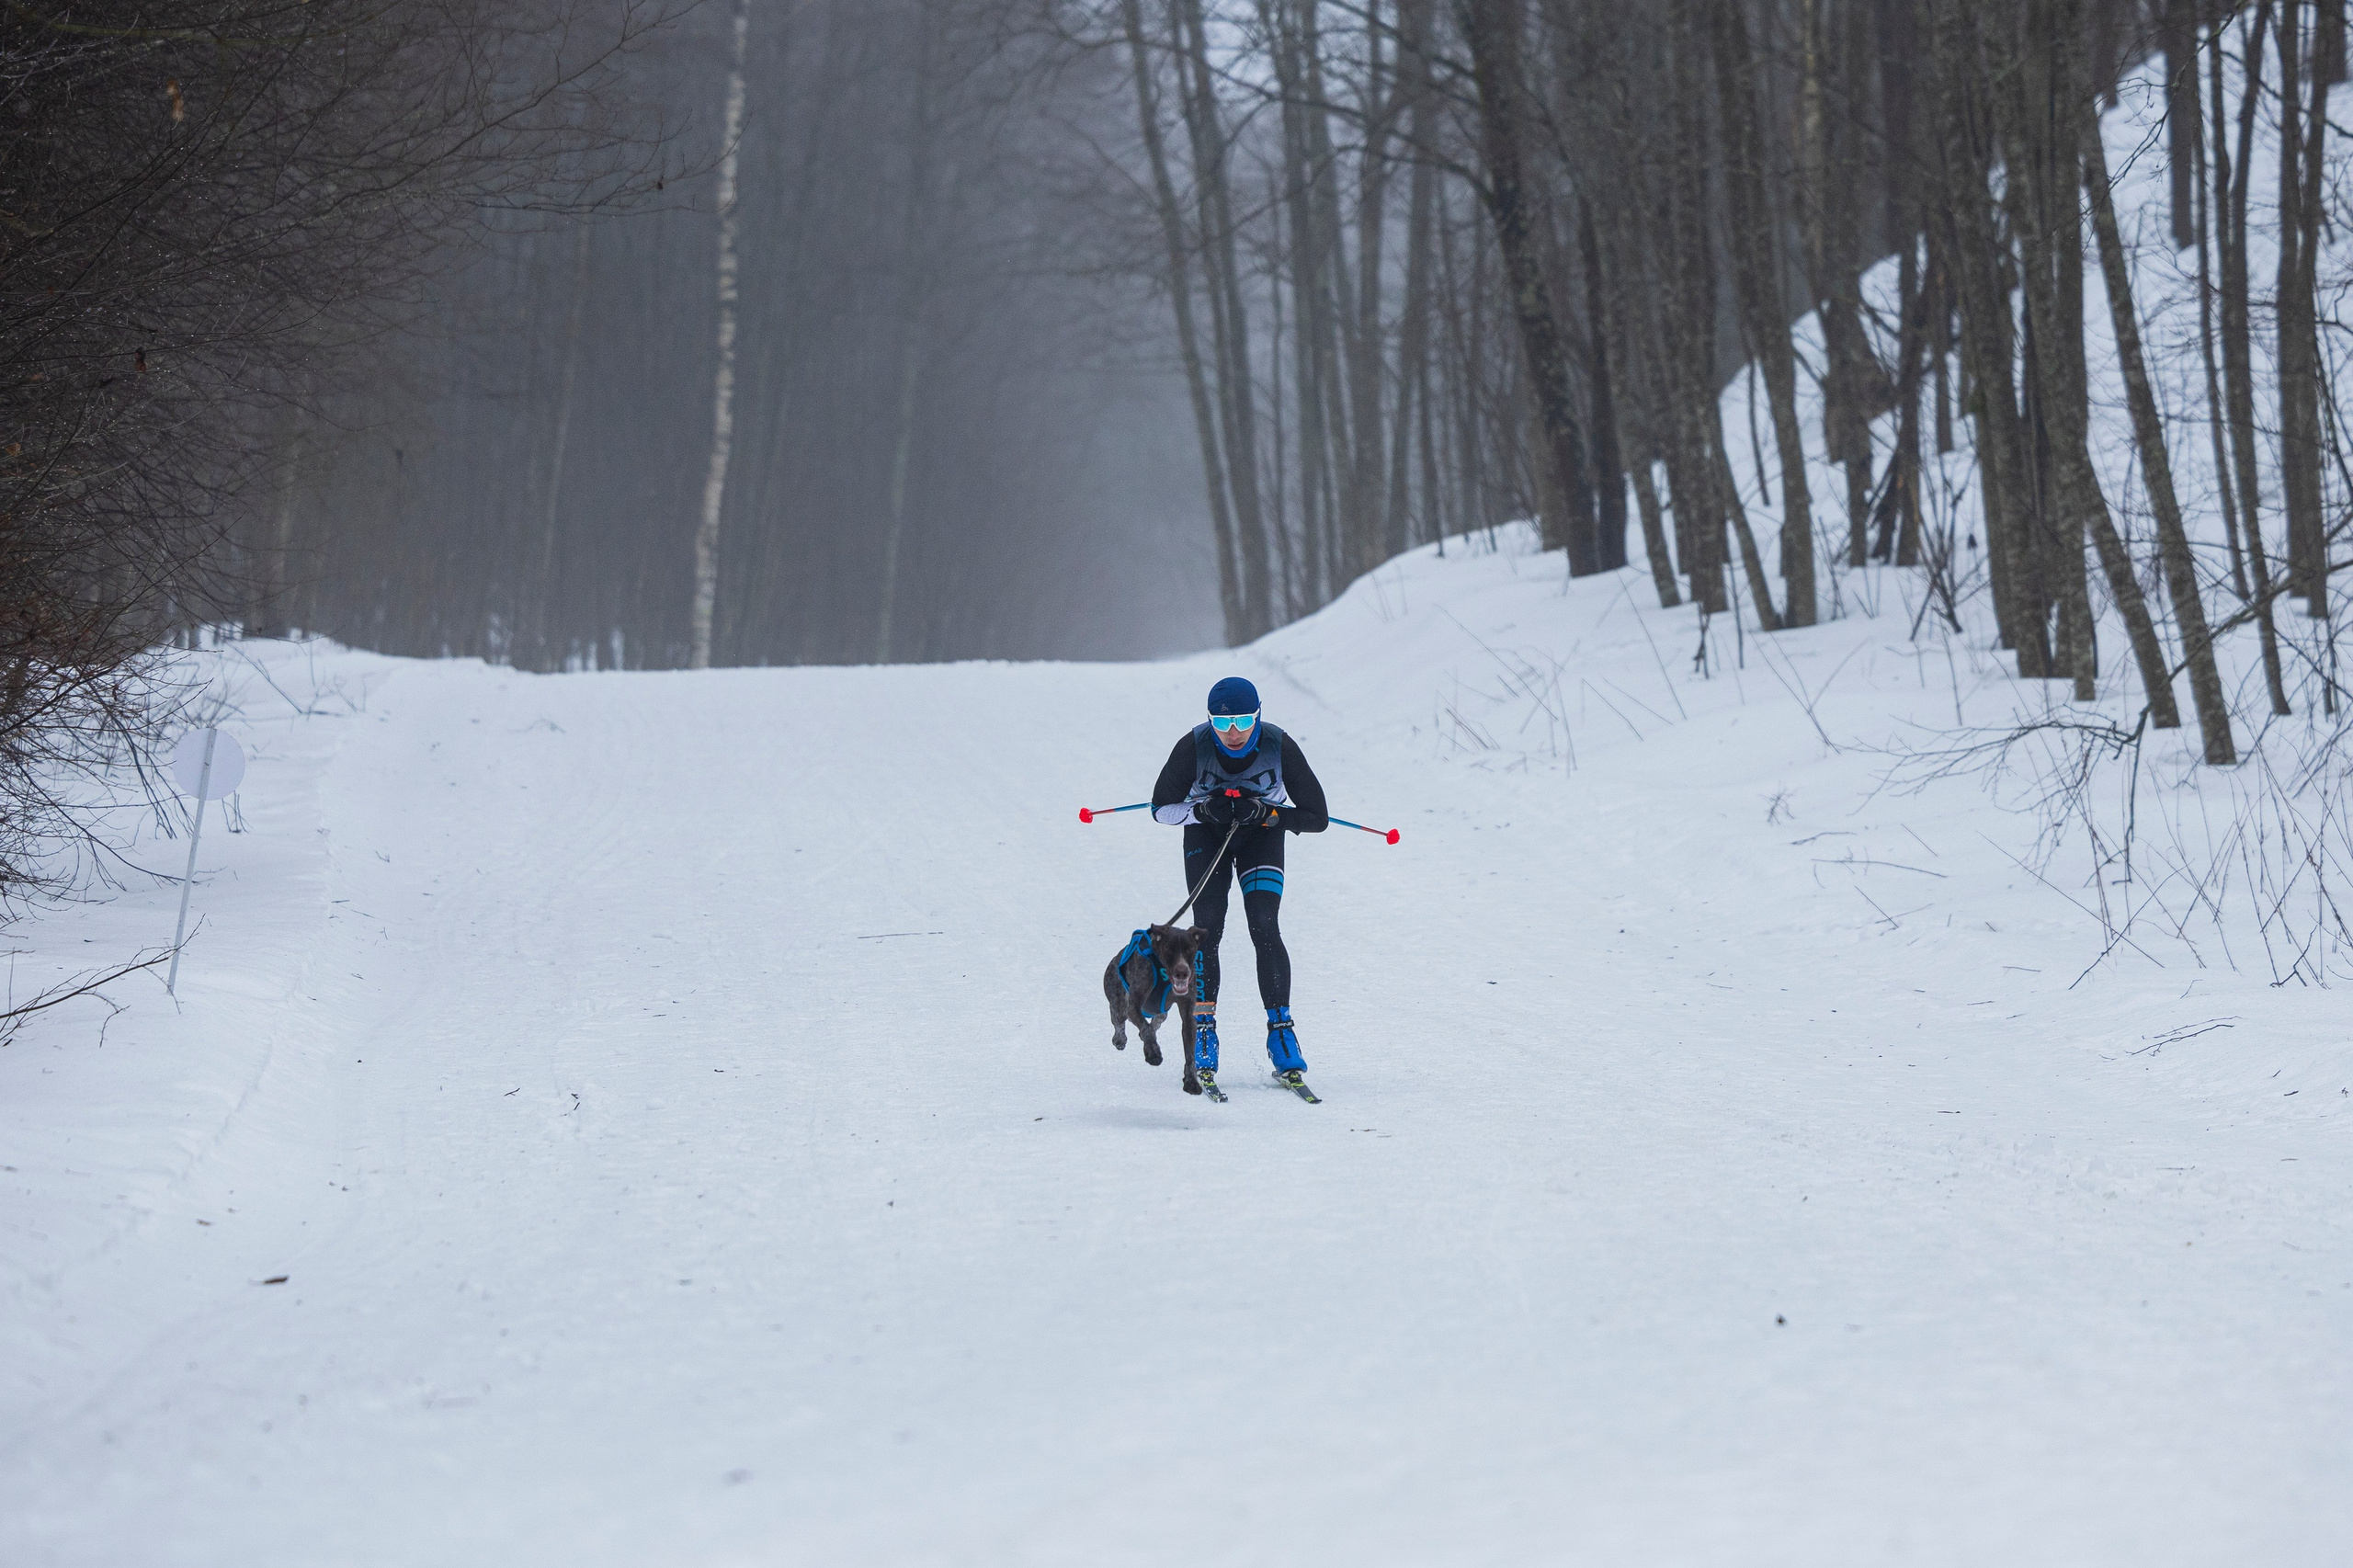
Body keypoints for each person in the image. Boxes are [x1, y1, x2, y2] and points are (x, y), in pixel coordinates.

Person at [1150, 676, 1328, 1098]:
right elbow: (1159, 809)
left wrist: (1267, 815)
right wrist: (1203, 809)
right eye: (1223, 722)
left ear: (1258, 715)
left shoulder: (1278, 745)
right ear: (1209, 720)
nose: (1233, 732)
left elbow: (1317, 816)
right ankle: (1204, 1031)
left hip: (1261, 836)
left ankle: (1282, 1034)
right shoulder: (1191, 748)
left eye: (1244, 720)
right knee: (1207, 927)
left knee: (1265, 925)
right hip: (1206, 836)